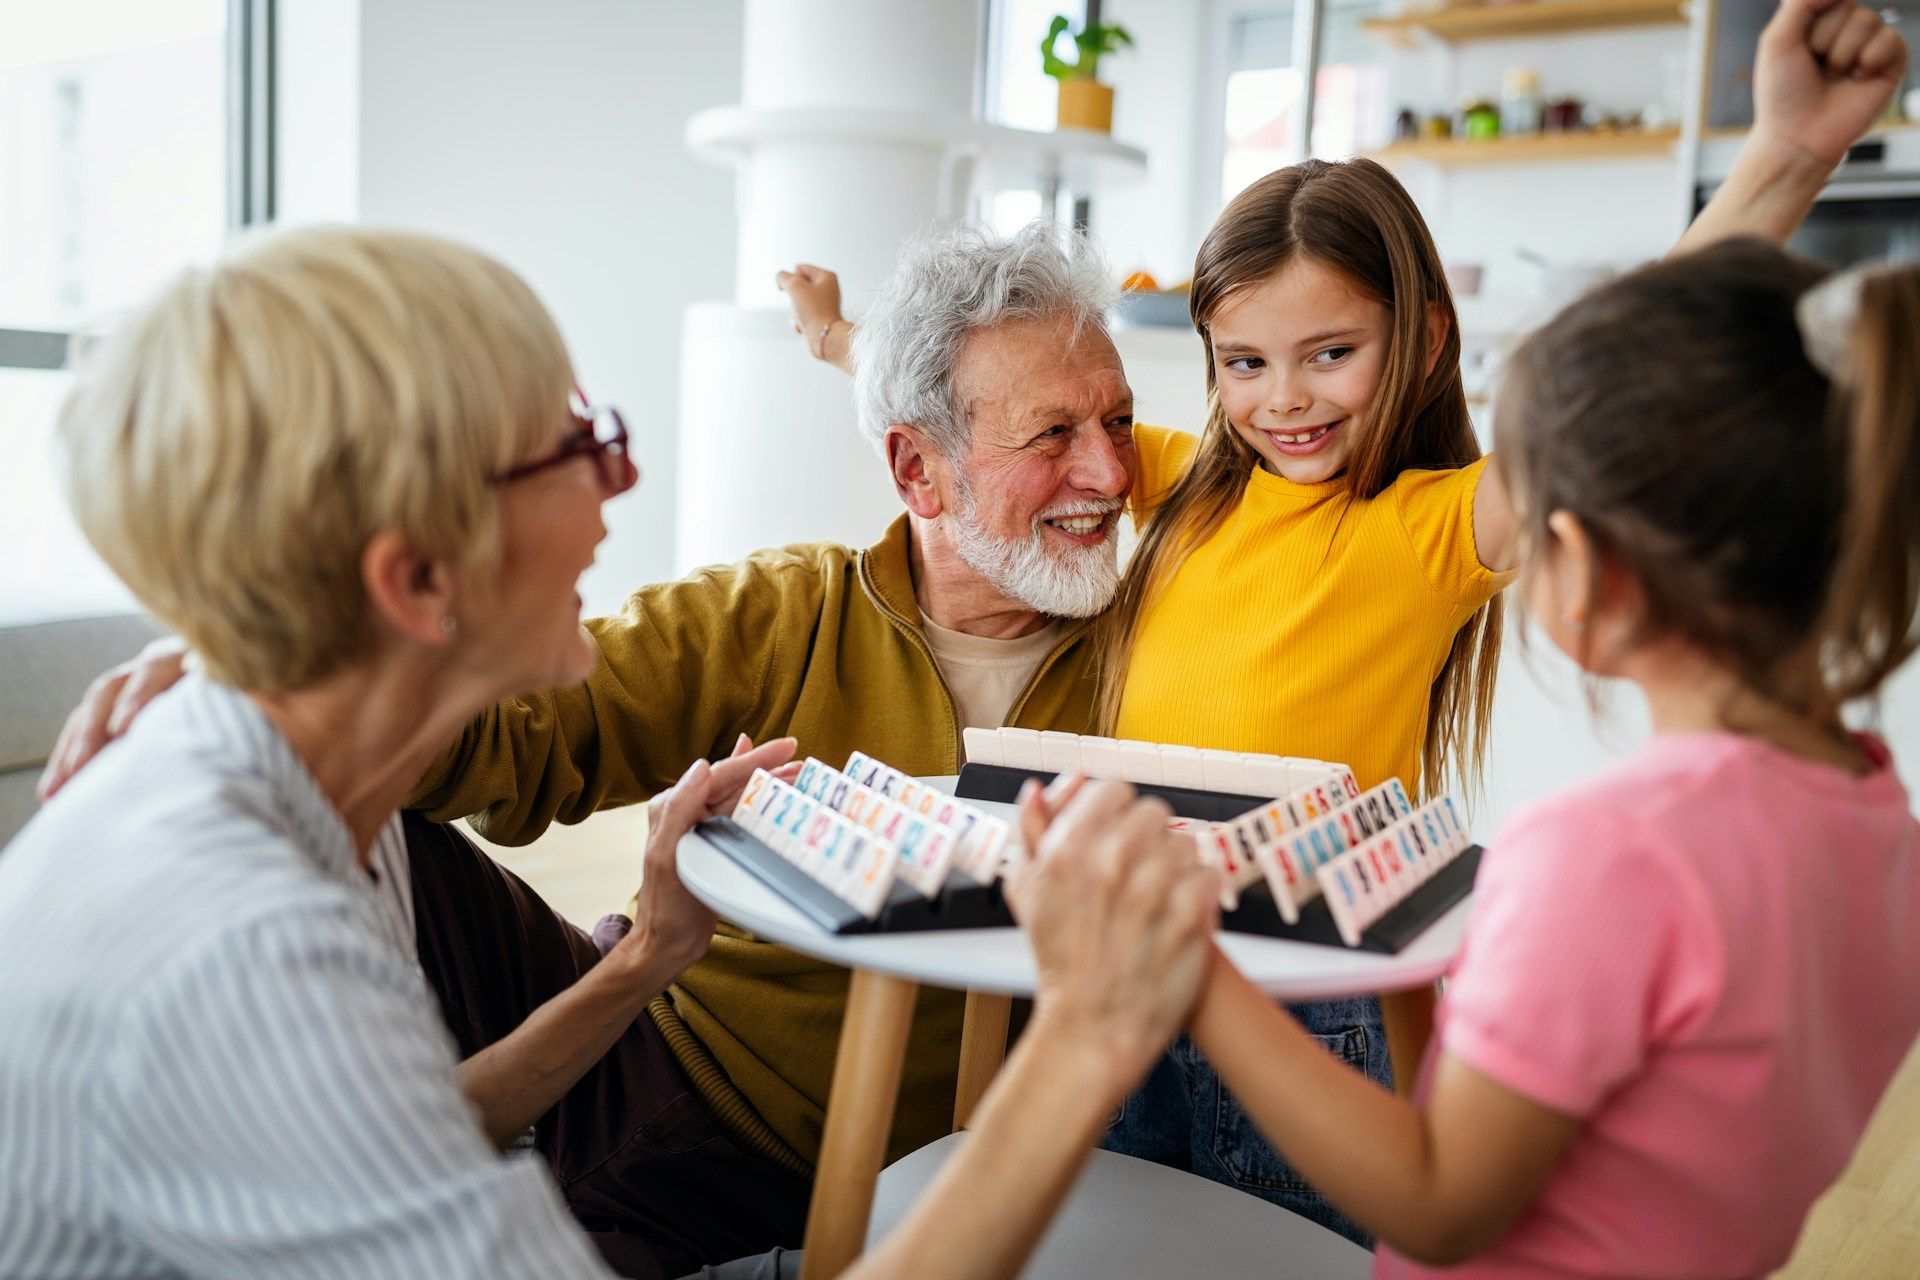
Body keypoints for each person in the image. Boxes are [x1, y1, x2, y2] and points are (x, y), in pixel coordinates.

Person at [776, 0, 1907, 1241]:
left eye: (1330, 353)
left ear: (1420, 343)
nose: (1283, 399)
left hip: (1309, 984)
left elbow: (1629, 376)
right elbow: (986, 407)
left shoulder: (1430, 526)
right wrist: (839, 337)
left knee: (1285, 1253)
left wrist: (1788, 154)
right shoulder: (1182, 478)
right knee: (1109, 1241)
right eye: (1244, 362)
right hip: (1129, 948)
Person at [0, 223, 1224, 1280]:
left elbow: (427, 1124)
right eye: (579, 443)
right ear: (415, 576)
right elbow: (528, 752)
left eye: (1120, 423)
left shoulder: (294, 815)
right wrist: (1089, 1038)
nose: (617, 491)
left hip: (668, 1041)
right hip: (676, 1078)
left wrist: (246, 661)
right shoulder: (255, 942)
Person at [1177, 238, 1920, 1277]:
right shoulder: (1884, 818)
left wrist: (1183, 957)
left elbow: (1439, 1203)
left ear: (1584, 557)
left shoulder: (1612, 853)